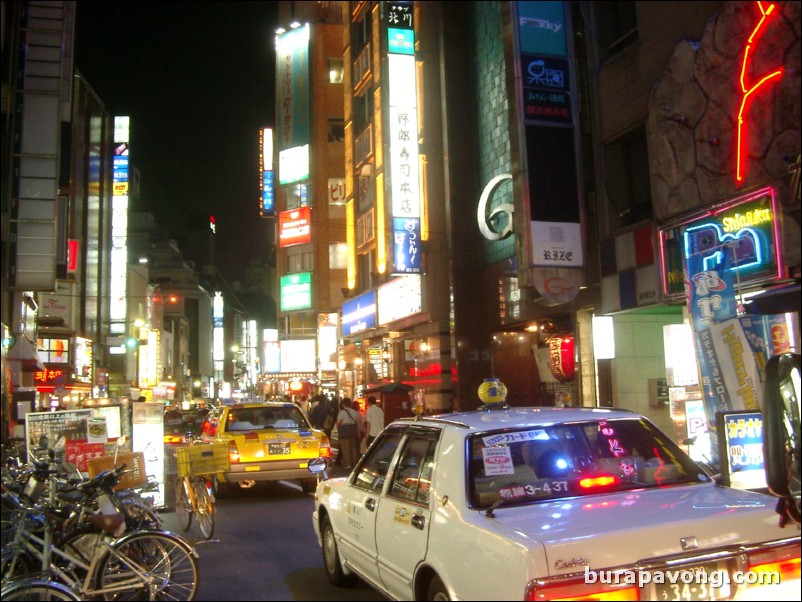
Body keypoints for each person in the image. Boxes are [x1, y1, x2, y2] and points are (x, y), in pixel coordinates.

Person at [336, 397, 362, 470]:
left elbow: (338, 423)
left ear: (343, 404)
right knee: (353, 448)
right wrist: (358, 432)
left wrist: (339, 431)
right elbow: (357, 423)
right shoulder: (354, 412)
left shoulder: (342, 412)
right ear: (350, 404)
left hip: (344, 432)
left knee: (345, 449)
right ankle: (354, 463)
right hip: (353, 431)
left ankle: (348, 464)